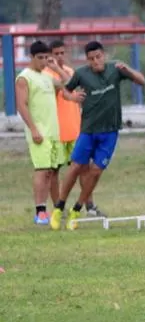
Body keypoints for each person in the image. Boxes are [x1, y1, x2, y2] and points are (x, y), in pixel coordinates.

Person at [53, 41, 145, 230]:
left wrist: (128, 70)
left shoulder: (116, 69)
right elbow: (65, 91)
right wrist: (72, 97)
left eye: (98, 57)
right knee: (75, 167)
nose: (95, 62)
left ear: (104, 55)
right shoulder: (81, 74)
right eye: (91, 59)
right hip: (88, 130)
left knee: (95, 171)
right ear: (87, 60)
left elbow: (141, 80)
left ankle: (77, 209)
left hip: (110, 131)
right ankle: (59, 207)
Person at [16, 41, 74, 225]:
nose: (43, 61)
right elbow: (21, 105)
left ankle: (51, 209)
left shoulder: (47, 77)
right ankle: (40, 210)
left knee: (50, 171)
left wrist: (55, 66)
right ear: (31, 57)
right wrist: (33, 129)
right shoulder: (24, 78)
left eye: (45, 58)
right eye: (39, 58)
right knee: (41, 170)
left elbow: (68, 82)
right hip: (39, 132)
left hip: (53, 132)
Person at [43, 40, 102, 218]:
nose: (60, 57)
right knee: (54, 170)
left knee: (83, 168)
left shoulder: (69, 71)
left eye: (62, 53)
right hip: (56, 130)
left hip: (75, 129)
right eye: (56, 53)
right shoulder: (45, 74)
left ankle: (89, 205)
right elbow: (65, 88)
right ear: (49, 56)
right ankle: (57, 208)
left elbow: (75, 88)